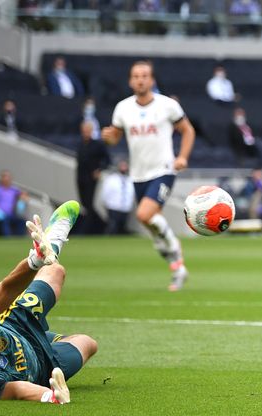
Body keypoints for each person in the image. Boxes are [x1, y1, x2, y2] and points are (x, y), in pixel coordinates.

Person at [0, 200, 98, 403]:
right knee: (89, 343)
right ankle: (50, 338)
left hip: (17, 322)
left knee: (56, 270)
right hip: (45, 364)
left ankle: (50, 242)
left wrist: (34, 262)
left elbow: (2, 290)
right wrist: (50, 396)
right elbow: (18, 390)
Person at [101, 60, 195, 291]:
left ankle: (175, 249)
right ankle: (177, 267)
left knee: (144, 214)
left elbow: (188, 130)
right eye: (136, 76)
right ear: (130, 81)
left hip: (163, 170)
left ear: (152, 80)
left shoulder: (167, 106)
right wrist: (108, 137)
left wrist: (182, 157)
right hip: (138, 174)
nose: (140, 79)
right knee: (151, 224)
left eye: (144, 75)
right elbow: (115, 138)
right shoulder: (122, 108)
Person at [76, 121, 111, 234]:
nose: (85, 132)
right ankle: (100, 226)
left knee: (90, 205)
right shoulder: (80, 144)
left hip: (91, 179)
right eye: (84, 130)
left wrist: (99, 169)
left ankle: (86, 231)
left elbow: (108, 160)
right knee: (85, 205)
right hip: (80, 178)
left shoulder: (98, 144)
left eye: (87, 130)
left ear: (91, 131)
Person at [0, 170, 27, 237]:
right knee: (5, 221)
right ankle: (7, 238)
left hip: (11, 215)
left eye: (8, 177)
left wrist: (21, 202)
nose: (6, 179)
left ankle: (20, 239)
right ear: (1, 179)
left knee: (22, 221)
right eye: (4, 177)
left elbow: (23, 194)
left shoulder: (13, 190)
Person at [101, 160, 135, 235]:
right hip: (113, 207)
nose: (124, 168)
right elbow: (105, 192)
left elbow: (131, 194)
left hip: (125, 208)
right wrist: (106, 203)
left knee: (122, 228)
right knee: (112, 226)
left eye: (125, 166)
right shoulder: (111, 179)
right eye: (122, 166)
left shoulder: (130, 180)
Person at [240, 168, 262, 234]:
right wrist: (258, 191)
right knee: (253, 208)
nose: (258, 176)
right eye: (257, 174)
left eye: (260, 174)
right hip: (250, 205)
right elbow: (248, 198)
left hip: (261, 206)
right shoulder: (248, 185)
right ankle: (254, 229)